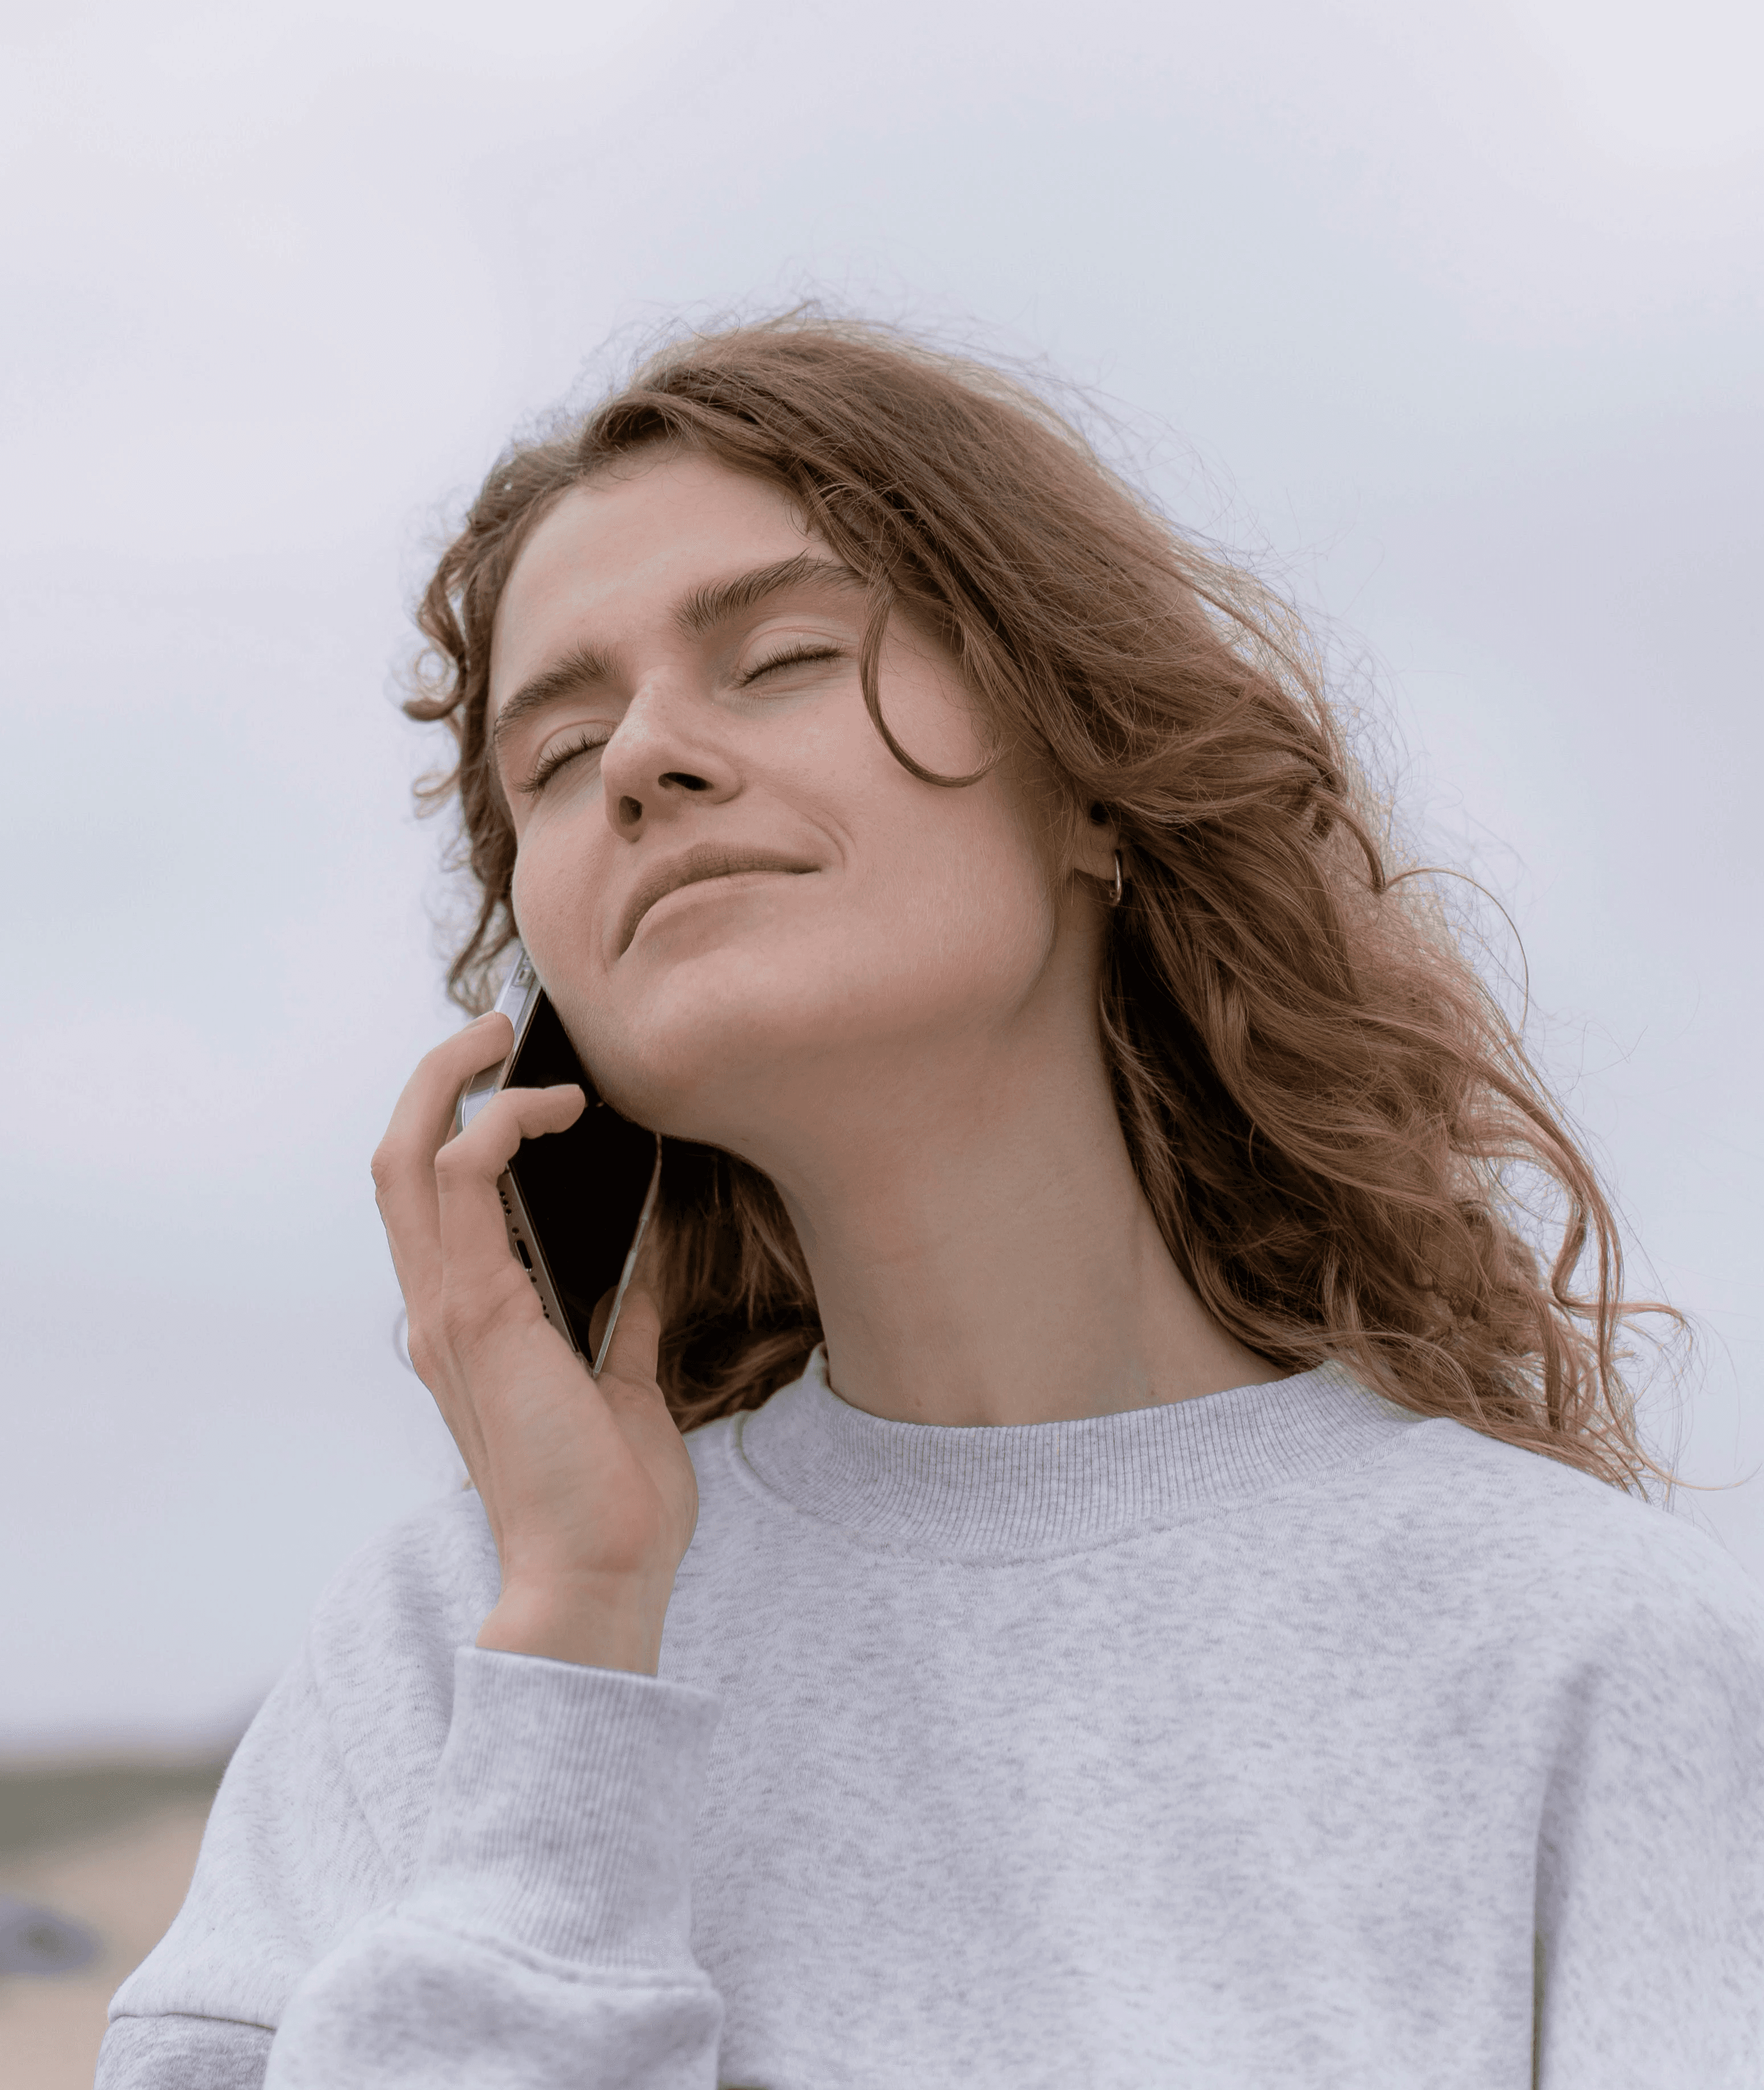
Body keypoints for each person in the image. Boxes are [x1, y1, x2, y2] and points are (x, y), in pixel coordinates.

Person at [96, 317, 1762, 2088]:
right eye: (560, 760)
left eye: (784, 656)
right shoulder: (448, 1650)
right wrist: (579, 1643)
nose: (648, 755)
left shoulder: (1593, 1654)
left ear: (1096, 790)